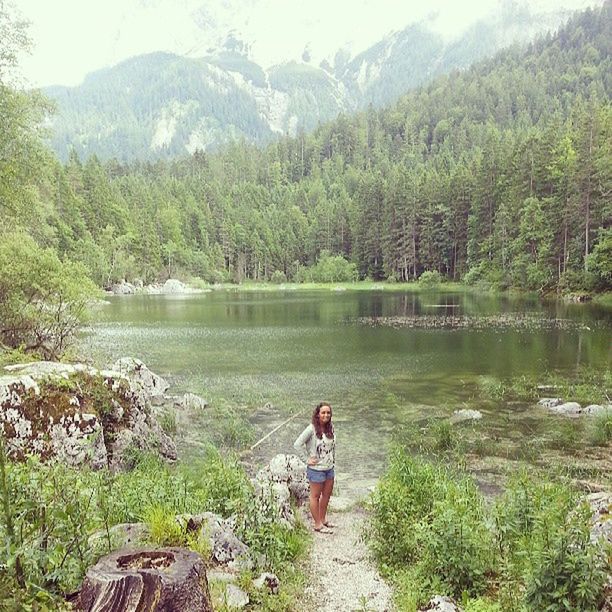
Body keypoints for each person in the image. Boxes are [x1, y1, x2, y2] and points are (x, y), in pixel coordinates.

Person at [293, 401, 336, 533]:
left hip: (329, 468)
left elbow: (332, 447)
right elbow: (297, 444)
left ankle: (323, 520)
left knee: (327, 495)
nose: (326, 415)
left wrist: (333, 461)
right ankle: (317, 524)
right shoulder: (311, 429)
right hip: (316, 469)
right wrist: (306, 460)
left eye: (328, 412)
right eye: (323, 412)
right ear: (318, 414)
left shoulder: (331, 428)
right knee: (315, 496)